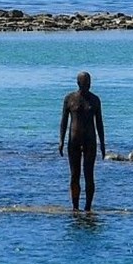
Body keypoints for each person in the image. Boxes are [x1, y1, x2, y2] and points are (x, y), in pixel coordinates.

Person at [59, 71, 106, 212]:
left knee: (89, 175)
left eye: (89, 82)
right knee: (74, 175)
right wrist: (61, 140)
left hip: (90, 142)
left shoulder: (95, 100)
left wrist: (103, 144)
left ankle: (88, 208)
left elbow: (99, 123)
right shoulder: (70, 99)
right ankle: (75, 208)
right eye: (85, 83)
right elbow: (64, 121)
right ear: (78, 83)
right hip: (73, 141)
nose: (88, 85)